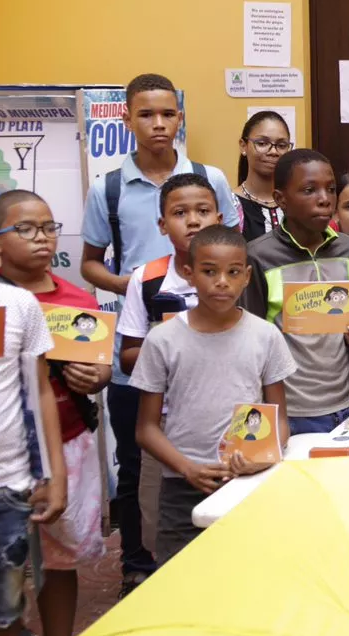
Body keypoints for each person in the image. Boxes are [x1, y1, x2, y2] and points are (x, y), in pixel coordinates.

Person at [78, 72, 238, 596]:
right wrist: (142, 290)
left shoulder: (209, 178)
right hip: (142, 346)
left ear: (180, 117)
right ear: (127, 120)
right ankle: (137, 561)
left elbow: (231, 253)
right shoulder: (109, 186)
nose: (158, 124)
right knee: (135, 464)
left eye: (168, 113)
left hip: (210, 353)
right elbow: (89, 264)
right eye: (146, 114)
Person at [0, 191, 105, 636]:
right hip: (10, 457)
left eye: (49, 227)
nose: (42, 238)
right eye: (27, 229)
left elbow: (96, 366)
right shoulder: (7, 300)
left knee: (60, 556)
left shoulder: (75, 299)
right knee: (8, 569)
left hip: (68, 440)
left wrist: (96, 378)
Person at [132, 225, 294, 564]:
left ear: (247, 277)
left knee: (244, 578)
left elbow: (278, 418)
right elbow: (146, 429)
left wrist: (262, 458)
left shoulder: (265, 336)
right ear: (189, 275)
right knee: (181, 583)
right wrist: (188, 468)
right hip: (182, 486)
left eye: (233, 272)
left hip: (246, 483)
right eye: (209, 271)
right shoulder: (162, 340)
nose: (222, 281)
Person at [242, 150, 349, 435]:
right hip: (293, 414)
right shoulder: (258, 256)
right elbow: (250, 343)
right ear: (280, 200)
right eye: (309, 190)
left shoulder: (348, 249)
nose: (325, 199)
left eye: (330, 189)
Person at [0, 195, 68, 636]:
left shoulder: (17, 306)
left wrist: (54, 474)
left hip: (8, 486)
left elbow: (41, 392)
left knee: (4, 610)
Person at [117, 173, 221, 377]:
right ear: (163, 226)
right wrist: (174, 348)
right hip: (167, 405)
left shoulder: (237, 276)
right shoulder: (146, 278)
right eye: (180, 213)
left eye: (203, 211)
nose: (193, 221)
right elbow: (127, 359)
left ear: (219, 220)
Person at [233, 111, 292, 241]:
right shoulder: (230, 203)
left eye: (282, 145)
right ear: (243, 146)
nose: (273, 151)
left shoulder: (295, 202)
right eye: (262, 143)